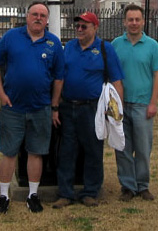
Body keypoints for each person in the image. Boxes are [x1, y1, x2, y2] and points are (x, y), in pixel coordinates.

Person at [0, 2, 64, 214]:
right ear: (27, 16)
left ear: (47, 20)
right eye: (34, 14)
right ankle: (3, 196)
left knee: (36, 152)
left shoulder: (53, 43)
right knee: (9, 151)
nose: (38, 18)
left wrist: (54, 104)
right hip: (13, 108)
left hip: (40, 108)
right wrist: (1, 93)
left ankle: (33, 194)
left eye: (42, 15)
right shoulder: (11, 37)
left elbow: (59, 78)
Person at [53, 12, 124, 209]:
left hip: (93, 108)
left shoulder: (104, 49)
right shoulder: (67, 48)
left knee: (93, 150)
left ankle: (90, 192)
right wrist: (56, 106)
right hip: (68, 106)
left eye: (84, 26)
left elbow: (117, 81)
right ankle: (65, 193)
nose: (80, 30)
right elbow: (60, 79)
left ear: (95, 27)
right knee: (66, 151)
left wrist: (117, 113)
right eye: (78, 26)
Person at [112, 4, 158, 201]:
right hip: (120, 106)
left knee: (143, 149)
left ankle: (142, 185)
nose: (134, 23)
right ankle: (127, 186)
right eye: (130, 20)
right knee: (122, 148)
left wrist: (153, 102)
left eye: (137, 20)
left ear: (143, 21)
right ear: (124, 22)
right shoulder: (116, 44)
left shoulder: (152, 46)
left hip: (143, 105)